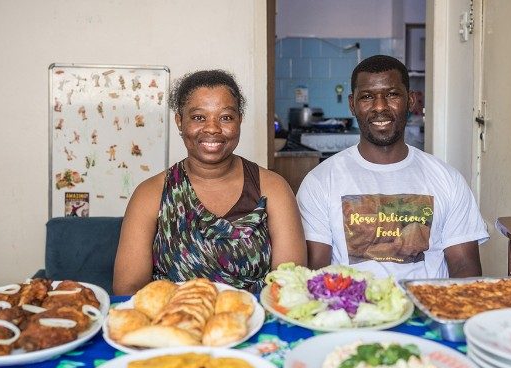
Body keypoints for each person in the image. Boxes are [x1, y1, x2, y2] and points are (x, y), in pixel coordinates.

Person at [114, 70, 306, 295]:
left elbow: (291, 285)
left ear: (239, 121)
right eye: (198, 117)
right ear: (180, 121)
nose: (212, 128)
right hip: (173, 321)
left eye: (226, 117)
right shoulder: (150, 194)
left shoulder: (273, 188)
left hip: (257, 320)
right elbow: (128, 289)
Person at [297, 55, 488, 279]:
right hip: (350, 310)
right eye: (367, 96)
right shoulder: (320, 181)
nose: (380, 106)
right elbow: (313, 272)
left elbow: (465, 269)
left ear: (411, 100)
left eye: (392, 94)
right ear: (352, 104)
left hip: (426, 308)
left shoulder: (448, 179)